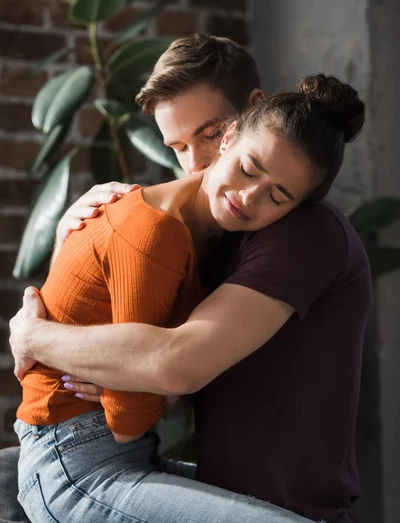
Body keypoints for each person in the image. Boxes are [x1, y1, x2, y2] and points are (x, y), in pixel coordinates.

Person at [8, 37, 372, 523]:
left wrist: (34, 335)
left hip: (266, 491)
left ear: (242, 120)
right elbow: (146, 372)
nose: (194, 164)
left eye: (208, 134)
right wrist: (68, 237)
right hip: (97, 454)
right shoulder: (194, 231)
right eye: (177, 147)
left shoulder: (293, 233)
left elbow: (173, 369)